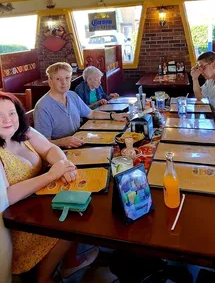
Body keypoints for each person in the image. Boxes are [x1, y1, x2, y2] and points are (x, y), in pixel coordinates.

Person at [0, 92, 98, 283]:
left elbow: (50, 149)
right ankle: (44, 278)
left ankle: (70, 262)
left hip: (41, 202)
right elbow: (7, 196)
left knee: (81, 204)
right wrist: (52, 174)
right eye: (0, 116)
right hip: (19, 222)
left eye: (11, 113)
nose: (7, 120)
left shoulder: (23, 132)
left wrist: (63, 165)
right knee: (72, 224)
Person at [34, 62, 128, 149]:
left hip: (81, 141)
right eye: (58, 79)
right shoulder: (42, 107)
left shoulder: (72, 95)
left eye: (67, 78)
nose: (64, 82)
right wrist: (62, 142)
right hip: (61, 151)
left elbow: (91, 113)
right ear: (50, 81)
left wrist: (113, 116)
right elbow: (42, 143)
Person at [190, 51, 215, 116]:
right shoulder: (210, 80)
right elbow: (199, 96)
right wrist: (195, 78)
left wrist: (211, 125)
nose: (201, 71)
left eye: (203, 67)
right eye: (199, 68)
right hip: (211, 115)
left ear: (214, 65)